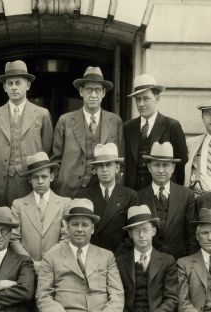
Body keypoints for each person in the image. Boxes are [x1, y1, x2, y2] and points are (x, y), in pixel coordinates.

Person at [0, 61, 53, 205]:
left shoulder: (41, 114)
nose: (14, 87)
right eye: (10, 84)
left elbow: (46, 149)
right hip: (1, 184)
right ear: (4, 87)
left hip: (29, 181)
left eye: (18, 83)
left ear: (27, 85)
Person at [52, 66, 124, 198]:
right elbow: (55, 160)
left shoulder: (115, 121)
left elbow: (120, 161)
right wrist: (58, 183)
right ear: (81, 92)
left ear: (103, 93)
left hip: (103, 190)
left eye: (97, 90)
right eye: (89, 90)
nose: (93, 95)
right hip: (68, 191)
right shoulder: (65, 120)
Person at [123, 74, 188, 189]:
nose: (141, 104)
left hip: (161, 193)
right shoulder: (128, 127)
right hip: (132, 193)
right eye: (138, 99)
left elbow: (181, 166)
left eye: (146, 98)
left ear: (157, 98)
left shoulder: (172, 126)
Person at [10, 152, 71, 272]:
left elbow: (66, 237)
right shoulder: (18, 205)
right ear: (29, 179)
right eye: (35, 177)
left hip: (57, 266)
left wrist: (46, 262)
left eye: (44, 177)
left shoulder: (65, 203)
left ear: (52, 177)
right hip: (26, 267)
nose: (40, 181)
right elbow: (13, 239)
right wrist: (31, 263)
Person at [138, 142, 198, 259]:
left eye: (165, 165)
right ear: (149, 167)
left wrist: (189, 264)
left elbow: (191, 236)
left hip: (178, 262)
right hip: (149, 261)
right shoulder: (138, 197)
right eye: (156, 165)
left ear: (173, 168)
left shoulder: (187, 196)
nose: (161, 170)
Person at [76, 143, 138, 252]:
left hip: (119, 255)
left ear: (117, 168)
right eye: (100, 165)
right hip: (91, 254)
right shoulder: (83, 195)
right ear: (95, 170)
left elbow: (133, 232)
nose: (104, 169)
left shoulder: (130, 196)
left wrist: (120, 254)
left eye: (108, 165)